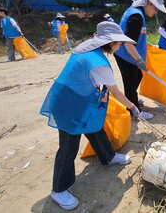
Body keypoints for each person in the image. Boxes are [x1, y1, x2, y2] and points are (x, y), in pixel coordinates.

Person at [40, 21, 140, 210]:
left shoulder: (87, 49)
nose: (119, 46)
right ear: (110, 43)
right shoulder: (99, 63)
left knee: (94, 127)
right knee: (68, 146)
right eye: (118, 42)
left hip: (78, 96)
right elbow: (116, 93)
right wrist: (133, 107)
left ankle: (108, 156)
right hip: (69, 103)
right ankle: (59, 190)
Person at [114, 0, 166, 120]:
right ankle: (135, 111)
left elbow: (137, 37)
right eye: (155, 9)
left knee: (137, 76)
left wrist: (146, 45)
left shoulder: (138, 14)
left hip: (129, 54)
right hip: (125, 55)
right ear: (148, 2)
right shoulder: (136, 16)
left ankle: (132, 101)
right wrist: (139, 61)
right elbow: (128, 43)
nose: (155, 12)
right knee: (130, 82)